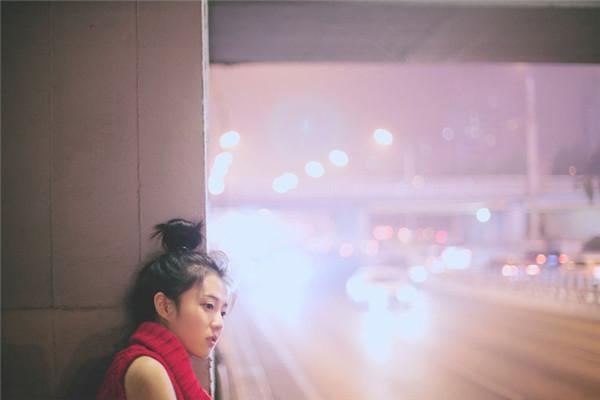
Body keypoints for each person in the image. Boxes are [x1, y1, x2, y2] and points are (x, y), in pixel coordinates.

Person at [97, 218, 231, 400]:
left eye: (222, 312)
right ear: (165, 306)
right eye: (208, 306)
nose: (219, 323)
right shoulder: (148, 369)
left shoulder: (165, 367)